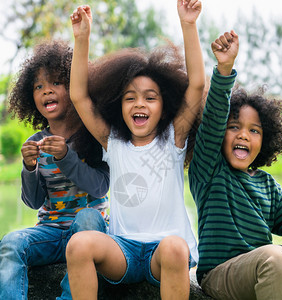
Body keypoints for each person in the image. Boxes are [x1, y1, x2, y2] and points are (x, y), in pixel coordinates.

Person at [188, 30, 282, 300]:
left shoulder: (266, 184)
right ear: (220, 135)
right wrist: (224, 70)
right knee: (276, 255)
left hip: (268, 268)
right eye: (234, 127)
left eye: (254, 130)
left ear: (265, 140)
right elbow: (213, 119)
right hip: (221, 276)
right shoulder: (209, 170)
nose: (244, 135)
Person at [66, 0, 204, 298]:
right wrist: (81, 39)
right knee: (78, 244)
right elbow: (78, 96)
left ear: (164, 106)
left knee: (174, 247)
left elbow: (196, 86)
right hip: (123, 252)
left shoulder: (173, 138)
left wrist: (189, 26)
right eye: (130, 98)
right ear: (119, 106)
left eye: (150, 97)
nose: (139, 103)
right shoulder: (112, 142)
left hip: (164, 254)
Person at [0, 40, 110, 300]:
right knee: (11, 242)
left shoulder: (93, 136)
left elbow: (100, 187)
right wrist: (29, 168)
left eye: (56, 83)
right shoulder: (35, 142)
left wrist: (66, 157)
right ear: (31, 97)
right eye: (39, 86)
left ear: (74, 87)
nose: (46, 91)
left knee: (86, 217)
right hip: (50, 231)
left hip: (89, 233)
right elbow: (33, 201)